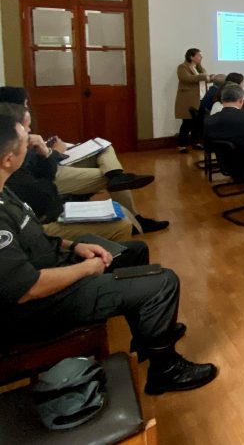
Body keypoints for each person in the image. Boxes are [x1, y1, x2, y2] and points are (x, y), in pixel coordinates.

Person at [0, 114, 218, 395]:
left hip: (55, 265)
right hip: (40, 305)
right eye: (23, 140)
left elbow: (36, 237)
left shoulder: (6, 191)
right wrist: (86, 269)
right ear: (8, 158)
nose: (29, 140)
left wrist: (73, 246)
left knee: (135, 251)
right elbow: (27, 288)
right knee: (164, 282)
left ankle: (147, 338)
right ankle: (165, 370)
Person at [0, 89, 167, 233]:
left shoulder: (18, 132)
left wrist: (50, 151)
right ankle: (132, 212)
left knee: (104, 147)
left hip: (54, 163)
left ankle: (116, 175)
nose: (28, 107)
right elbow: (41, 175)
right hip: (53, 171)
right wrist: (54, 152)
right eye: (25, 104)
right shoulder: (11, 142)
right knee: (106, 176)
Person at [175, 48, 211, 153]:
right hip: (188, 99)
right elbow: (186, 78)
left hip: (200, 98)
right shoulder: (183, 67)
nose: (201, 57)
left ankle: (196, 142)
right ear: (191, 57)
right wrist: (203, 76)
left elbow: (203, 79)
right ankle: (182, 145)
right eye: (199, 55)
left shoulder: (199, 68)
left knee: (198, 122)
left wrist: (210, 78)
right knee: (187, 122)